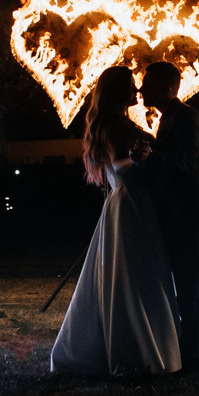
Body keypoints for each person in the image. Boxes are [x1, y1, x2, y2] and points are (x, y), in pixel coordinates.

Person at [49, 66, 182, 377]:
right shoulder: (113, 128)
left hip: (136, 204)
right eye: (131, 84)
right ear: (119, 92)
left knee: (143, 274)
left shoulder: (120, 124)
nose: (137, 89)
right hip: (130, 206)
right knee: (133, 276)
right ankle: (136, 351)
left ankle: (152, 346)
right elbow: (119, 167)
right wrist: (140, 158)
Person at [141, 60, 199, 374]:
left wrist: (151, 156)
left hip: (192, 214)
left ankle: (194, 360)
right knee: (183, 286)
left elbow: (187, 162)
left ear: (167, 87)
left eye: (147, 83)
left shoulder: (188, 117)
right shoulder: (167, 119)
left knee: (190, 287)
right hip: (181, 214)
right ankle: (185, 354)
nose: (141, 88)